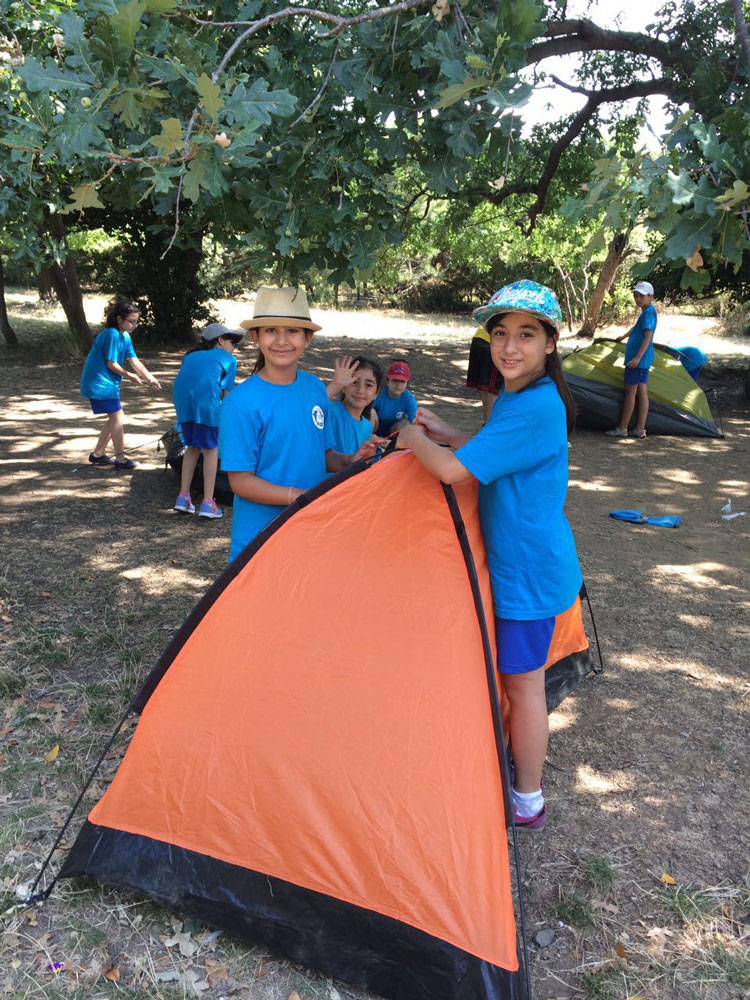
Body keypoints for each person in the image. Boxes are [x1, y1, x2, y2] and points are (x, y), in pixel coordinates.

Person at [396, 280, 584, 831]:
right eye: (500, 333)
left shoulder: (537, 406)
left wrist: (412, 438)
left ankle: (528, 796)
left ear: (550, 343)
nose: (509, 346)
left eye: (526, 334)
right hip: (513, 564)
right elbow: (489, 449)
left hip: (527, 573)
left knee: (523, 687)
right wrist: (448, 432)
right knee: (507, 679)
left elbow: (456, 471)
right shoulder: (517, 397)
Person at [219, 288, 381, 563]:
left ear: (307, 338)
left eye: (293, 331)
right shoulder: (240, 403)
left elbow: (325, 455)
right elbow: (241, 482)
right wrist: (301, 497)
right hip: (261, 540)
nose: (281, 341)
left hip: (310, 531)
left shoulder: (314, 388)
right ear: (256, 337)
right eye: (271, 330)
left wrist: (352, 459)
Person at [172, 322, 244, 519]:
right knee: (211, 450)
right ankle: (207, 502)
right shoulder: (229, 359)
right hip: (205, 407)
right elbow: (226, 395)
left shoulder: (190, 356)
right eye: (232, 342)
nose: (234, 347)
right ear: (220, 340)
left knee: (192, 447)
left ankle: (183, 497)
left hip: (183, 405)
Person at [80, 300, 162, 469]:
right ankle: (121, 459)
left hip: (108, 383)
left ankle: (98, 455)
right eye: (131, 321)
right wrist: (130, 376)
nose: (134, 325)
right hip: (99, 382)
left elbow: (134, 360)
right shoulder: (111, 334)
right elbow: (111, 364)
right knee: (117, 418)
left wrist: (149, 377)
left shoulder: (124, 336)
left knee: (114, 419)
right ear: (119, 319)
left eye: (136, 321)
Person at [605, 281, 658, 439]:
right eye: (635, 296)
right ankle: (640, 429)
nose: (637, 298)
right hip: (644, 360)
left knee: (630, 394)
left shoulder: (648, 313)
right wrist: (623, 337)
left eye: (641, 296)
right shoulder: (648, 311)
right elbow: (637, 329)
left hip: (637, 361)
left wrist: (637, 358)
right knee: (642, 392)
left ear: (650, 296)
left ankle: (623, 428)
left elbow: (648, 336)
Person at [325, 355, 383, 452]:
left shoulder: (368, 427)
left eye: (368, 385)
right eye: (354, 382)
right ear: (344, 386)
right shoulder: (329, 410)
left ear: (376, 393)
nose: (360, 390)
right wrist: (335, 385)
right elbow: (307, 409)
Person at [373, 360, 418, 436]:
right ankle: (366, 438)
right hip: (376, 428)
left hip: (394, 431)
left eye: (402, 381)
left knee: (406, 423)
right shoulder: (379, 394)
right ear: (388, 381)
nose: (398, 385)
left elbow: (414, 421)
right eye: (395, 380)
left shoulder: (408, 398)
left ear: (407, 383)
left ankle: (395, 444)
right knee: (370, 413)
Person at [466, 325, 500, 421]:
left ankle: (487, 423)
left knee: (486, 388)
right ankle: (489, 426)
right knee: (494, 389)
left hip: (480, 337)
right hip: (491, 343)